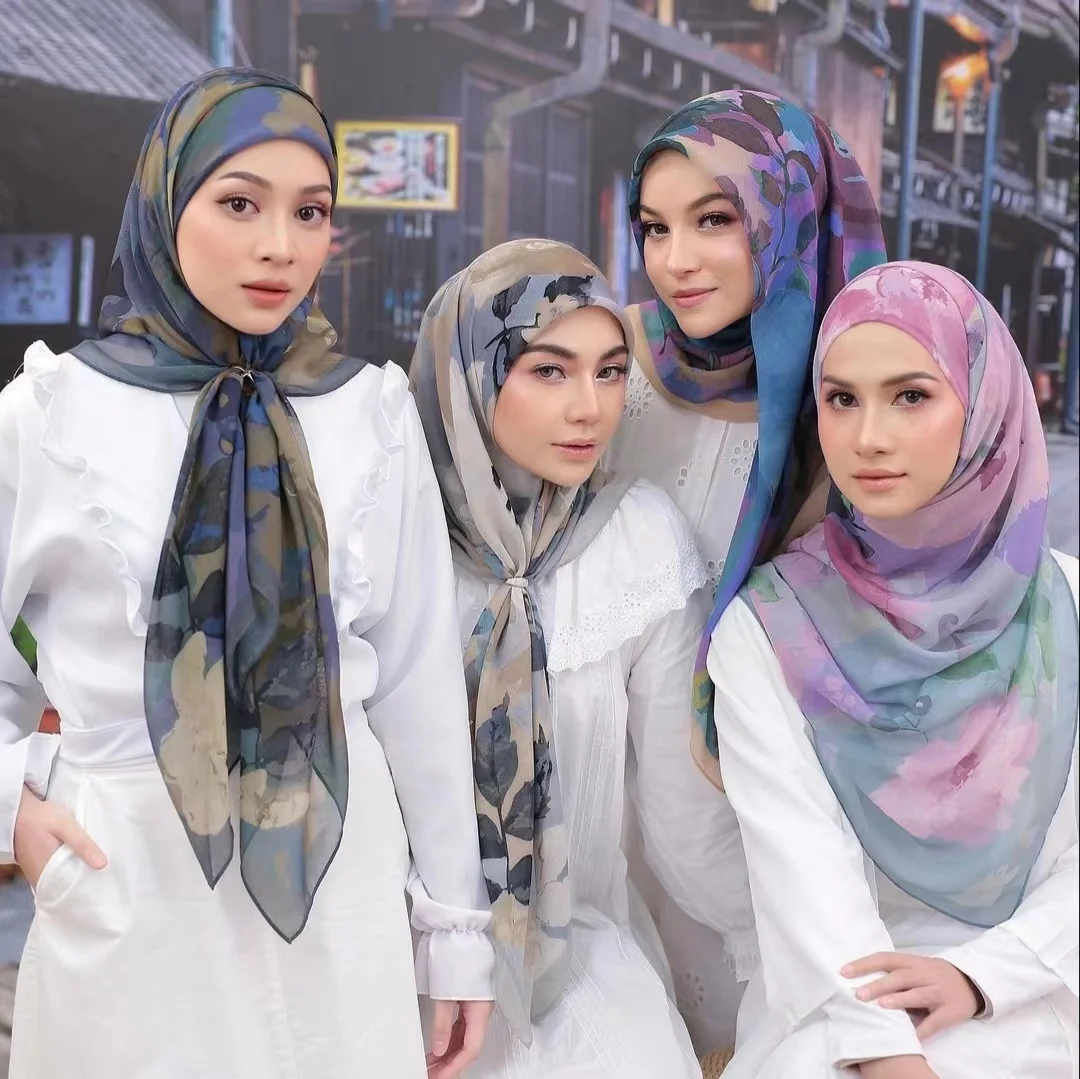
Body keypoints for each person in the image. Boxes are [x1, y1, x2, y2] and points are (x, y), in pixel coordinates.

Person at [0, 68, 493, 1078]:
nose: (280, 245)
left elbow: (417, 691)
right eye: (239, 203)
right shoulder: (49, 412)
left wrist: (454, 931)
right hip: (126, 880)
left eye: (310, 211)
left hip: (339, 887)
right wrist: (14, 802)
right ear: (166, 203)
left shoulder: (370, 411)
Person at [707, 261, 1079, 1079]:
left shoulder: (1072, 608)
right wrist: (882, 1051)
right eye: (841, 399)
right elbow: (802, 869)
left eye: (911, 395)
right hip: (837, 1004)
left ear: (984, 405)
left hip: (1043, 988)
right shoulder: (771, 627)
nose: (869, 436)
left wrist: (987, 975)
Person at [409, 238, 741, 1078]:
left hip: (576, 960)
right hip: (391, 960)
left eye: (609, 371)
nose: (590, 407)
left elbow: (681, 819)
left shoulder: (637, 541)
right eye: (549, 370)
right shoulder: (392, 533)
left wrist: (816, 942)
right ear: (473, 371)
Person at [604, 87, 888, 1051]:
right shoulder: (606, 362)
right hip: (599, 811)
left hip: (762, 828)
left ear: (790, 215)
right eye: (654, 227)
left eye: (715, 220)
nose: (675, 260)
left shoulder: (856, 394)